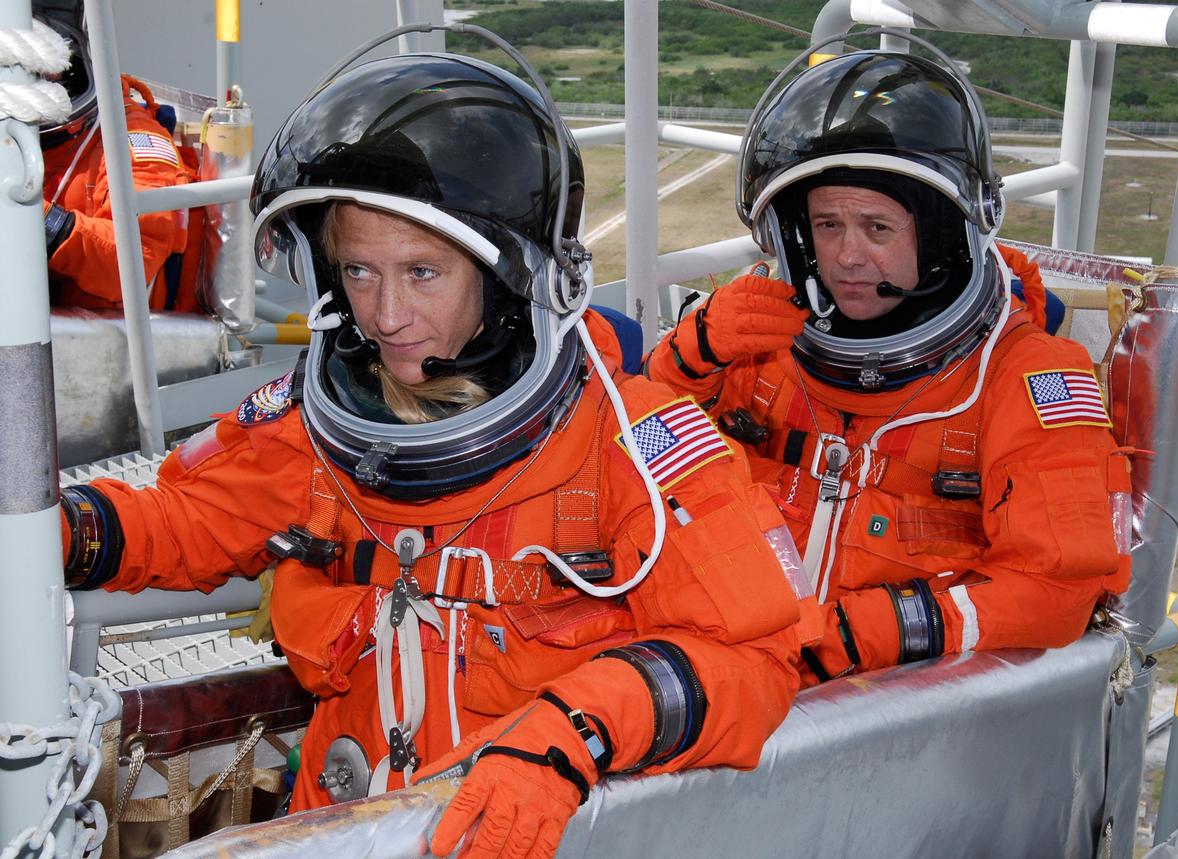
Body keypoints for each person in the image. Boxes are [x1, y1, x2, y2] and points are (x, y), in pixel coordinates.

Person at [60, 51, 803, 858]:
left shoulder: (630, 444)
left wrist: (573, 729)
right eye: (359, 271)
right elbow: (181, 521)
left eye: (423, 272)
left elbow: (753, 660)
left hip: (516, 829)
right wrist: (55, 530)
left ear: (512, 277)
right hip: (334, 827)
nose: (386, 314)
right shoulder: (317, 426)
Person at [645, 49, 1131, 685]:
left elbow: (1057, 588)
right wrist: (687, 359)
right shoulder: (758, 346)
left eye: (877, 227)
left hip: (894, 704)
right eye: (827, 224)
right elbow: (640, 468)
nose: (847, 255)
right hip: (740, 672)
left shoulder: (1023, 377)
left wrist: (862, 632)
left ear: (934, 234)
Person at [39, 7, 195, 311]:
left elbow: (132, 264)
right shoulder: (15, 137)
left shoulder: (132, 138)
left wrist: (39, 222)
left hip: (104, 342)